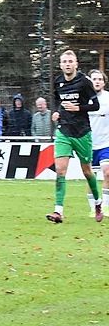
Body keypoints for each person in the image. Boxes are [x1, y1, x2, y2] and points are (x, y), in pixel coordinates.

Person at [47, 49, 101, 223]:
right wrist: (57, 112)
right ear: (60, 65)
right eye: (64, 61)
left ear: (76, 64)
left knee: (87, 171)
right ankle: (58, 211)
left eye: (70, 61)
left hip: (82, 132)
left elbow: (96, 105)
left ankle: (98, 202)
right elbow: (57, 100)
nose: (68, 64)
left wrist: (78, 108)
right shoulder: (58, 82)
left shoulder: (84, 82)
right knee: (60, 170)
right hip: (64, 130)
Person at [87, 69, 109, 222]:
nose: (97, 81)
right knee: (91, 177)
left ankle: (106, 207)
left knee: (107, 172)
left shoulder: (108, 98)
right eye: (94, 79)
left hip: (106, 143)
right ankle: (93, 208)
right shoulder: (84, 98)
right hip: (88, 143)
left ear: (104, 82)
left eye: (100, 79)